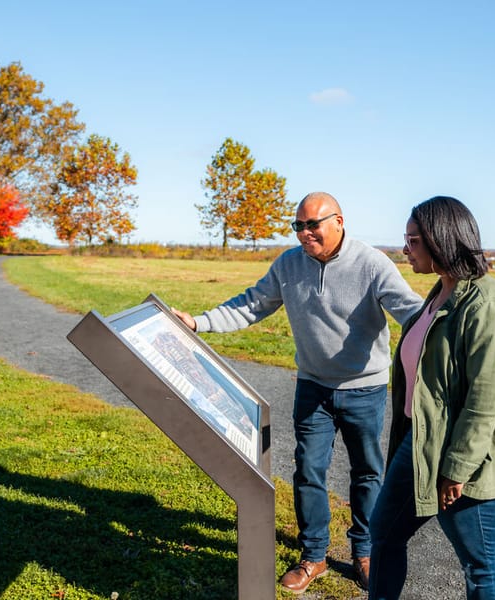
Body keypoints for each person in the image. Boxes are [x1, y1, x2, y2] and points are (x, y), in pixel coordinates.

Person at [172, 191, 423, 594]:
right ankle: (314, 555)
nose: (305, 233)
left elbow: (412, 310)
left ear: (339, 221)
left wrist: (451, 329)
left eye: (313, 225)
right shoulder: (288, 264)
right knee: (308, 471)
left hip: (365, 390)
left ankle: (365, 552)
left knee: (368, 473)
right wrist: (199, 323)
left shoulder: (373, 264)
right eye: (298, 226)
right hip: (313, 389)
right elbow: (251, 304)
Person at [367, 196, 495, 600]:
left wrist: (456, 468)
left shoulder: (490, 304)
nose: (405, 250)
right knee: (384, 534)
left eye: (413, 240)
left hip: (468, 460)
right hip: (420, 445)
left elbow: (485, 400)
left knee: (479, 565)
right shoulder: (439, 292)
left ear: (442, 240)